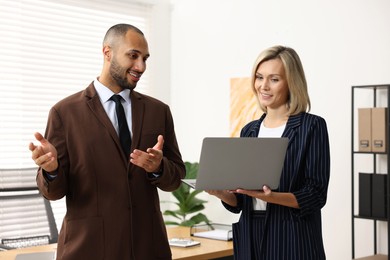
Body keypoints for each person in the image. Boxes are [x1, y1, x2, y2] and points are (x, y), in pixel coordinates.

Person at [28, 23, 185, 260]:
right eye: (133, 55)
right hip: (88, 249)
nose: (140, 66)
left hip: (147, 248)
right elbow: (53, 192)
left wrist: (159, 168)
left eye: (145, 58)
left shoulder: (158, 111)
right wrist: (51, 170)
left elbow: (176, 177)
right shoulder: (65, 112)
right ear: (107, 52)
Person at [207, 45, 330, 260]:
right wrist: (221, 193)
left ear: (291, 82)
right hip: (251, 233)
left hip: (292, 235)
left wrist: (272, 197)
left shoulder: (312, 126)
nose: (264, 86)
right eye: (259, 77)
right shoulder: (249, 130)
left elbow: (316, 194)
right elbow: (242, 201)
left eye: (274, 79)